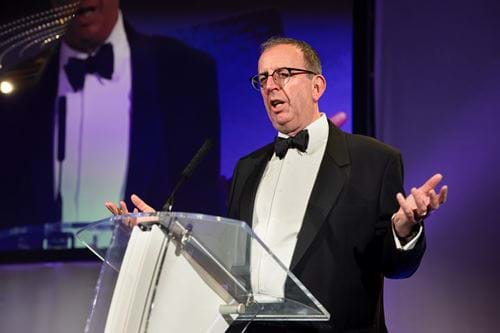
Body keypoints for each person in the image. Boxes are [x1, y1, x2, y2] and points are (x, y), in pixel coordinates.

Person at [106, 37, 447, 332]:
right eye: (263, 78)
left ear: (318, 86)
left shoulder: (374, 160)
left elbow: (395, 266)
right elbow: (230, 270)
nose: (271, 85)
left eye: (284, 74)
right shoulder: (248, 168)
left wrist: (404, 229)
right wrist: (164, 232)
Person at [0, 0, 221, 229]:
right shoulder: (20, 92)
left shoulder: (188, 69)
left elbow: (202, 203)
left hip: (144, 261)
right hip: (39, 264)